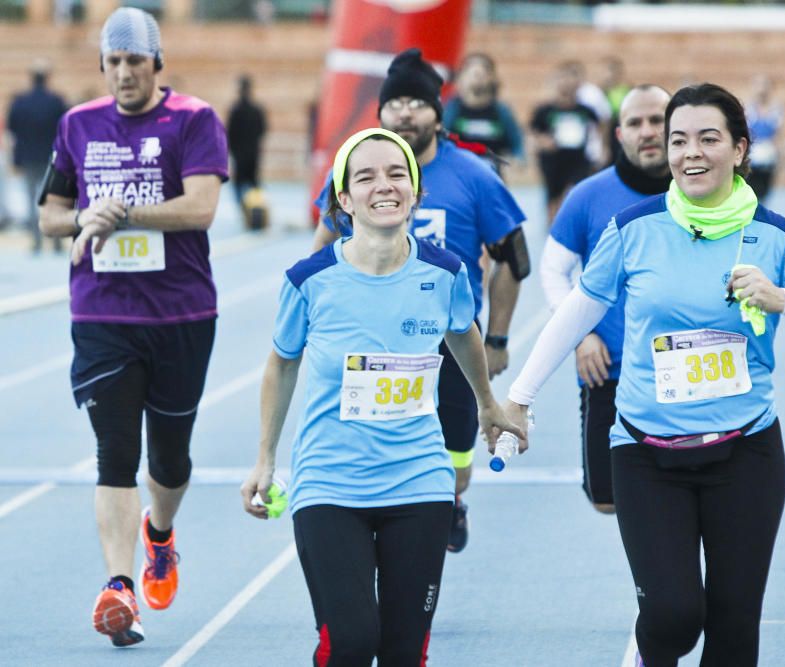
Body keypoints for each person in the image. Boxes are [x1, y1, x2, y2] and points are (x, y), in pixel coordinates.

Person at [504, 83, 785, 666]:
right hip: (647, 455)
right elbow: (578, 308)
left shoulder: (776, 236)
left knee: (732, 629)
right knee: (673, 615)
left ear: (740, 149)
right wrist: (518, 398)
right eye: (679, 140)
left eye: (708, 138)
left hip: (746, 453)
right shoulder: (632, 229)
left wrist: (784, 300)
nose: (689, 152)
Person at [242, 128, 522, 666]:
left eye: (397, 174)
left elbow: (462, 329)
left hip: (418, 481)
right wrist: (265, 459)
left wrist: (487, 402)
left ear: (415, 191)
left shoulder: (444, 273)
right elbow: (281, 361)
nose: (384, 186)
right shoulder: (309, 280)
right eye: (365, 177)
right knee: (351, 643)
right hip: (329, 484)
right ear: (343, 200)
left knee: (400, 651)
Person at [37, 7, 228, 647]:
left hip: (181, 313)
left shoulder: (194, 120)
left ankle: (160, 535)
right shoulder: (77, 125)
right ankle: (119, 588)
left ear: (156, 63)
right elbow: (50, 216)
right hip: (102, 314)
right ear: (102, 64)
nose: (124, 72)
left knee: (169, 459)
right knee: (115, 454)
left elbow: (201, 207)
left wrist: (125, 214)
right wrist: (87, 217)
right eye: (113, 61)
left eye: (135, 61)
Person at [312, 48, 530, 553]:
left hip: (449, 343)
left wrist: (495, 337)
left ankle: (450, 502)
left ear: (438, 111)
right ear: (381, 112)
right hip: (370, 342)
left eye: (417, 101)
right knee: (372, 457)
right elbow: (321, 252)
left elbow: (514, 261)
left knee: (455, 461)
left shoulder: (474, 176)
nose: (405, 112)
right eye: (396, 103)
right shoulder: (355, 172)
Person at [540, 85, 671, 514]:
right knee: (606, 500)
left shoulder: (703, 194)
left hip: (683, 372)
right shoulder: (588, 196)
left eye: (658, 120)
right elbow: (552, 270)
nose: (647, 131)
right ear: (619, 134)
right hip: (608, 372)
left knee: (684, 489)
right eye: (635, 123)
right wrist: (580, 334)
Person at [6, 58, 68, 253]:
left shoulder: (20, 103)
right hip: (53, 158)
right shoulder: (57, 101)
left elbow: (13, 130)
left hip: (29, 158)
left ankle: (37, 241)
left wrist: (16, 158)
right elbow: (64, 130)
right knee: (55, 200)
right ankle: (56, 241)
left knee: (32, 199)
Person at [530, 61, 601, 223]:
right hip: (553, 161)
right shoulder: (545, 110)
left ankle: (573, 224)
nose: (567, 83)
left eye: (572, 78)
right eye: (562, 78)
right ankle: (552, 229)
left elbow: (600, 125)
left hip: (578, 159)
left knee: (575, 192)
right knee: (553, 197)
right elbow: (533, 133)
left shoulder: (585, 110)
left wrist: (601, 149)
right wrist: (543, 142)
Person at [442, 52, 525, 174]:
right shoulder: (452, 108)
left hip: (492, 176)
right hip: (459, 175)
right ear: (461, 77)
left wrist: (518, 160)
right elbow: (440, 140)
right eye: (471, 71)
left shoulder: (501, 111)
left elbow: (516, 143)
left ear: (493, 78)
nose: (478, 74)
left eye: (484, 70)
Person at [226, 74, 268, 209]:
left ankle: (244, 209)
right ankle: (256, 209)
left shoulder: (235, 110)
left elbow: (229, 132)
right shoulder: (257, 109)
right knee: (254, 183)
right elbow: (262, 130)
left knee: (239, 184)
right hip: (253, 152)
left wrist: (232, 150)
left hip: (239, 154)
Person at [744, 74, 783, 204]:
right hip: (752, 158)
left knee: (764, 195)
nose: (762, 89)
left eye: (765, 85)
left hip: (768, 157)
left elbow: (778, 136)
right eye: (758, 85)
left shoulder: (776, 110)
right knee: (750, 194)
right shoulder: (748, 110)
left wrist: (778, 159)